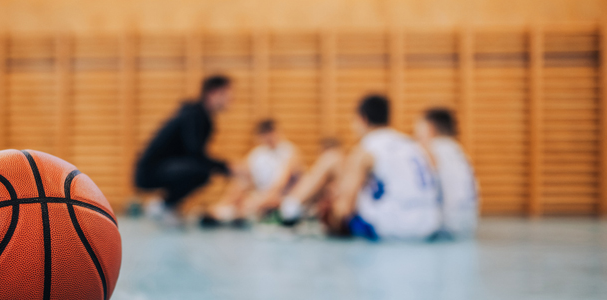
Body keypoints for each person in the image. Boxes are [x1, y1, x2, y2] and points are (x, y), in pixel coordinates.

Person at [280, 95, 441, 240]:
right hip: (429, 226)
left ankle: (287, 211)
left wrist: (330, 220)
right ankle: (291, 208)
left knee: (332, 159)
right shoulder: (413, 146)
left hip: (392, 229)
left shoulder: (367, 149)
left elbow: (344, 210)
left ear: (362, 119)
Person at [135, 75, 234, 225]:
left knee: (202, 170)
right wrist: (226, 167)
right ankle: (162, 206)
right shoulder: (194, 115)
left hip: (166, 167)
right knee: (201, 171)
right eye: (228, 93)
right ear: (214, 93)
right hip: (149, 171)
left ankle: (167, 205)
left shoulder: (201, 116)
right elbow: (195, 154)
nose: (231, 98)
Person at [201, 119, 301, 227]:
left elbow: (280, 185)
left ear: (277, 133)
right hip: (262, 196)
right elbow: (243, 178)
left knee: (263, 200)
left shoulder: (290, 152)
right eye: (265, 135)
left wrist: (256, 201)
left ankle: (236, 213)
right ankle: (224, 208)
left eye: (271, 133)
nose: (269, 138)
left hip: (282, 196)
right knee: (242, 182)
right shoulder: (257, 154)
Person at [414, 108, 478, 238]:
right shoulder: (457, 151)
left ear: (430, 128)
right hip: (468, 223)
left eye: (418, 132)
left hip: (446, 226)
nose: (416, 137)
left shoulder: (431, 150)